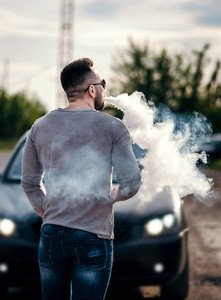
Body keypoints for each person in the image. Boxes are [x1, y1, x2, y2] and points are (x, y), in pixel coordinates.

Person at [21, 57, 141, 300]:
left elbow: (29, 182)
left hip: (52, 234)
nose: (104, 89)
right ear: (92, 89)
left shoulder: (40, 126)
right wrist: (112, 196)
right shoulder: (113, 128)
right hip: (93, 237)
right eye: (102, 83)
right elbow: (131, 184)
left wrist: (47, 211)